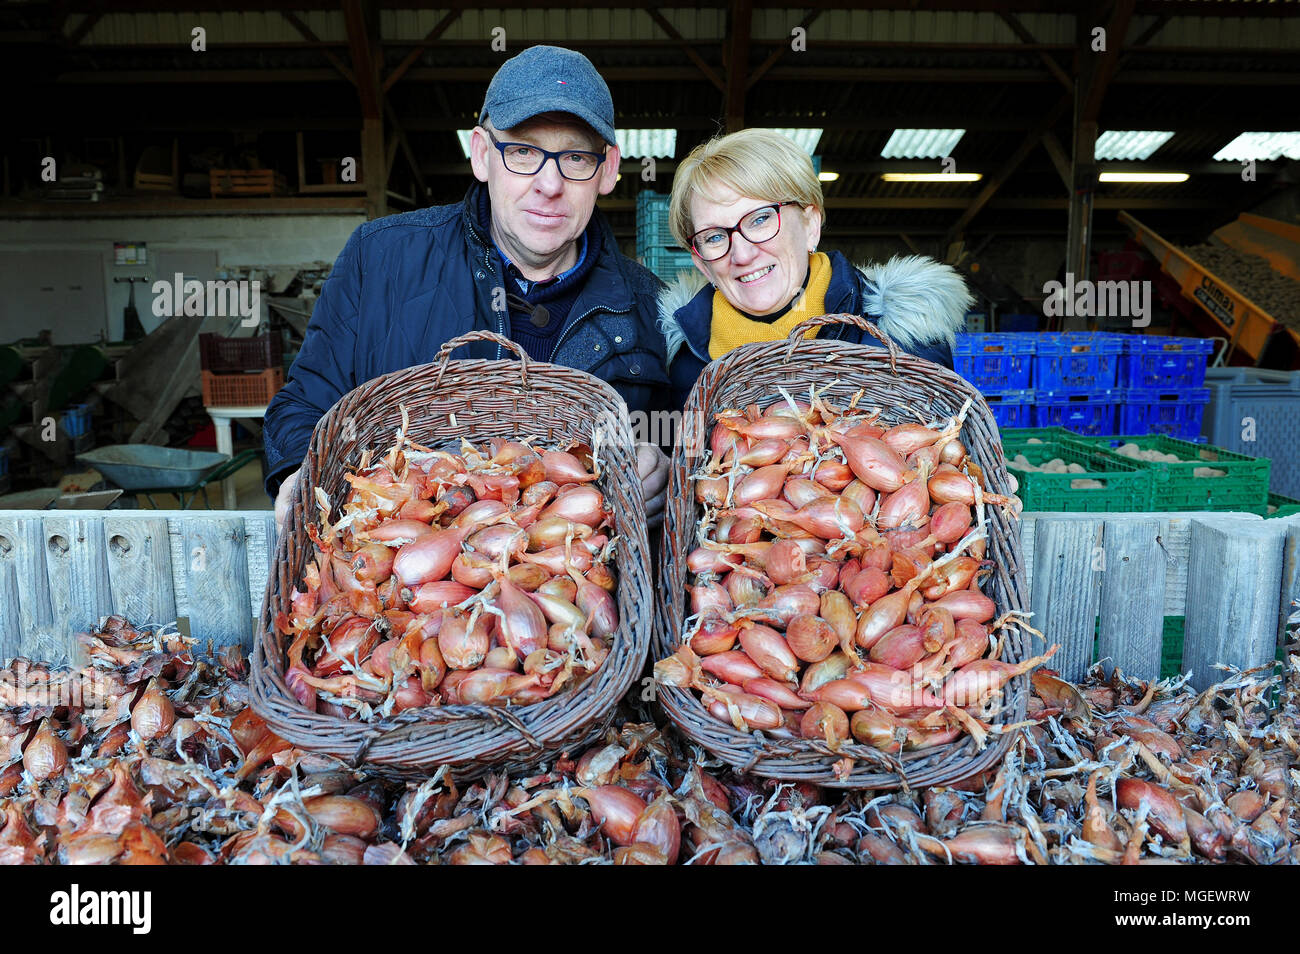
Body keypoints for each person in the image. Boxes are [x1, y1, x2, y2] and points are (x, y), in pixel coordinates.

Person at [264, 45, 671, 527]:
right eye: (522, 151)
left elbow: (671, 439)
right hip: (403, 579)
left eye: (576, 157)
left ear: (606, 170)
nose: (549, 183)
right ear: (482, 155)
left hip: (570, 570)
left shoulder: (650, 306)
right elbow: (305, 404)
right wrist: (297, 473)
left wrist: (661, 467)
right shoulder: (382, 261)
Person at [657, 129, 973, 407]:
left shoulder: (902, 338)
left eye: (761, 219)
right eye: (714, 236)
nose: (741, 254)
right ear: (702, 263)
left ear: (810, 225)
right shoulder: (683, 365)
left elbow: (946, 456)